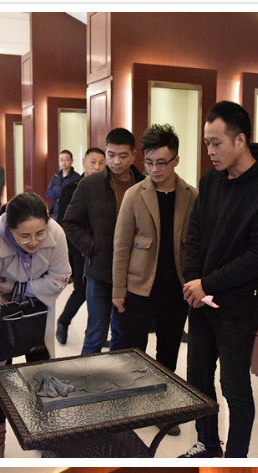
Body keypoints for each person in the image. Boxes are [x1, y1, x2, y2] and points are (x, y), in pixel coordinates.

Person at [179, 101, 258, 458]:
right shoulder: (210, 180)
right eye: (207, 143)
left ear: (240, 140)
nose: (210, 151)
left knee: (234, 386)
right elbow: (194, 235)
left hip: (238, 306)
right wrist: (194, 282)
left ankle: (236, 457)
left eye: (216, 143)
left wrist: (208, 284)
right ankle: (207, 444)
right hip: (201, 300)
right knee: (198, 379)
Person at [0, 192, 71, 457]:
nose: (34, 242)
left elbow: (61, 277)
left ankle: (44, 435)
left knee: (42, 370)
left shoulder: (56, 233)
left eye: (40, 233)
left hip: (38, 307)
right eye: (25, 236)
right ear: (9, 228)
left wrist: (19, 289)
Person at [112, 123, 198, 384]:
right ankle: (130, 403)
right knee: (132, 356)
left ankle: (162, 403)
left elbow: (196, 246)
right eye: (149, 163)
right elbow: (121, 247)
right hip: (139, 289)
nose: (154, 169)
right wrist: (118, 291)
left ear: (176, 160)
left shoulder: (191, 196)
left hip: (176, 290)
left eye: (161, 163)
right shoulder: (134, 195)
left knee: (168, 356)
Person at [63, 128, 145, 355]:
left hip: (132, 273)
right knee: (96, 334)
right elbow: (70, 222)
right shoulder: (90, 184)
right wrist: (92, 247)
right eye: (111, 155)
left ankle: (113, 376)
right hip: (100, 271)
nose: (116, 161)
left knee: (122, 334)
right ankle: (87, 377)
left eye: (123, 156)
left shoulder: (143, 185)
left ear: (134, 155)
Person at [55, 147, 106, 345]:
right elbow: (65, 223)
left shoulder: (108, 187)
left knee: (101, 293)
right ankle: (63, 321)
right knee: (81, 290)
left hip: (102, 250)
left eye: (101, 163)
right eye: (93, 162)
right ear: (84, 162)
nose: (97, 167)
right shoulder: (71, 189)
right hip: (78, 249)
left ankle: (93, 334)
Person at [45, 149, 81, 220]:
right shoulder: (56, 176)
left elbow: (75, 195)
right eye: (61, 160)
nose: (63, 162)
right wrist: (57, 191)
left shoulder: (76, 177)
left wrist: (58, 190)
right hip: (56, 210)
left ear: (72, 161)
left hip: (69, 210)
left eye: (66, 160)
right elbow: (48, 193)